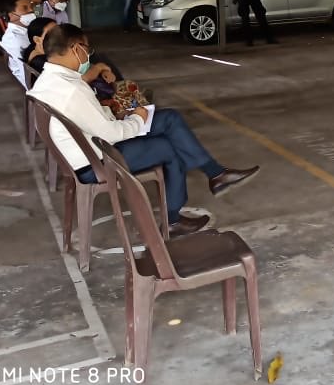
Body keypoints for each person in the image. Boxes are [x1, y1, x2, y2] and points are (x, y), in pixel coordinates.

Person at [29, 24, 261, 237]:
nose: (88, 55)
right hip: (95, 160)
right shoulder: (71, 90)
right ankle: (173, 219)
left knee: (169, 119)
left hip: (89, 147)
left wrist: (121, 115)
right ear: (75, 48)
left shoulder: (51, 80)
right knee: (168, 147)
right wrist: (137, 119)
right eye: (87, 49)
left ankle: (216, 174)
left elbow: (92, 121)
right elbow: (110, 135)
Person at [0, 0, 36, 87]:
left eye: (31, 7)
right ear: (11, 15)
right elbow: (27, 76)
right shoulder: (15, 39)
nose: (31, 10)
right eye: (25, 8)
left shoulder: (25, 32)